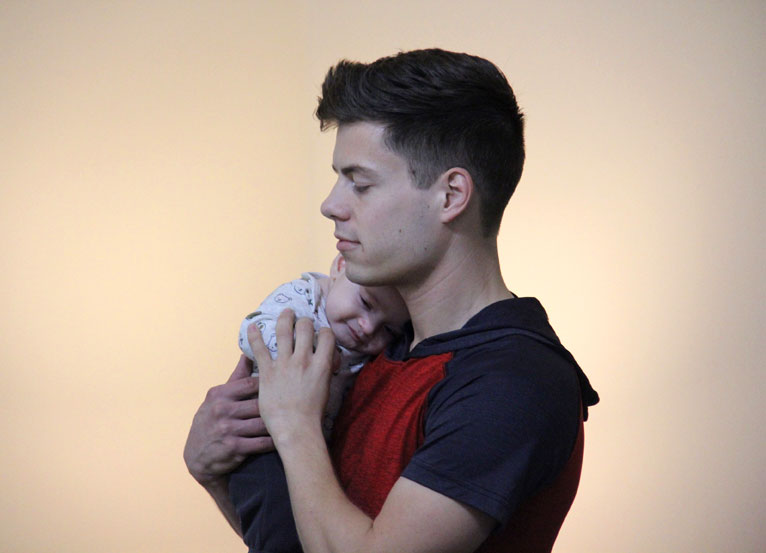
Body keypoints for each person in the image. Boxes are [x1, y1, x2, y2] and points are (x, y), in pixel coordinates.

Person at [184, 48, 599, 553]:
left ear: (451, 196)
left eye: (360, 184)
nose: (331, 205)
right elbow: (309, 539)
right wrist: (217, 472)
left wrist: (293, 424)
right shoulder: (377, 349)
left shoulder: (512, 382)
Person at [230, 253, 409, 553]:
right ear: (340, 267)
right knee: (278, 525)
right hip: (262, 444)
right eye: (366, 303)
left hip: (312, 451)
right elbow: (252, 331)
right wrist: (307, 352)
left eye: (388, 329)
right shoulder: (305, 299)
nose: (368, 327)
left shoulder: (367, 349)